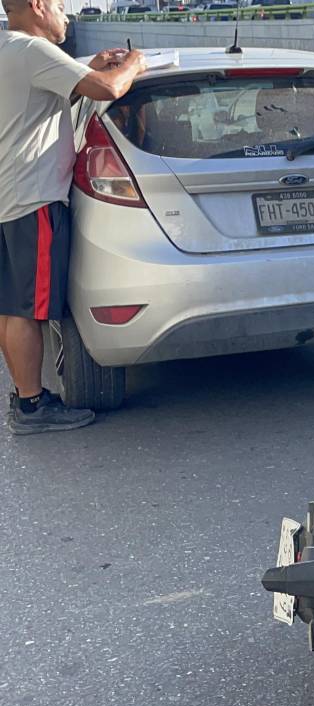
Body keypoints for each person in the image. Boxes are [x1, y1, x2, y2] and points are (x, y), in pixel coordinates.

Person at [1, 0, 146, 435]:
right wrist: (134, 64)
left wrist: (90, 64)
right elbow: (107, 90)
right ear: (38, 5)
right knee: (30, 309)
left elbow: (50, 81)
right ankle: (32, 406)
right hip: (35, 199)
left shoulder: (10, 48)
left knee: (12, 308)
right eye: (61, 5)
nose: (66, 14)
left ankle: (24, 399)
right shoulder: (32, 51)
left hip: (10, 196)